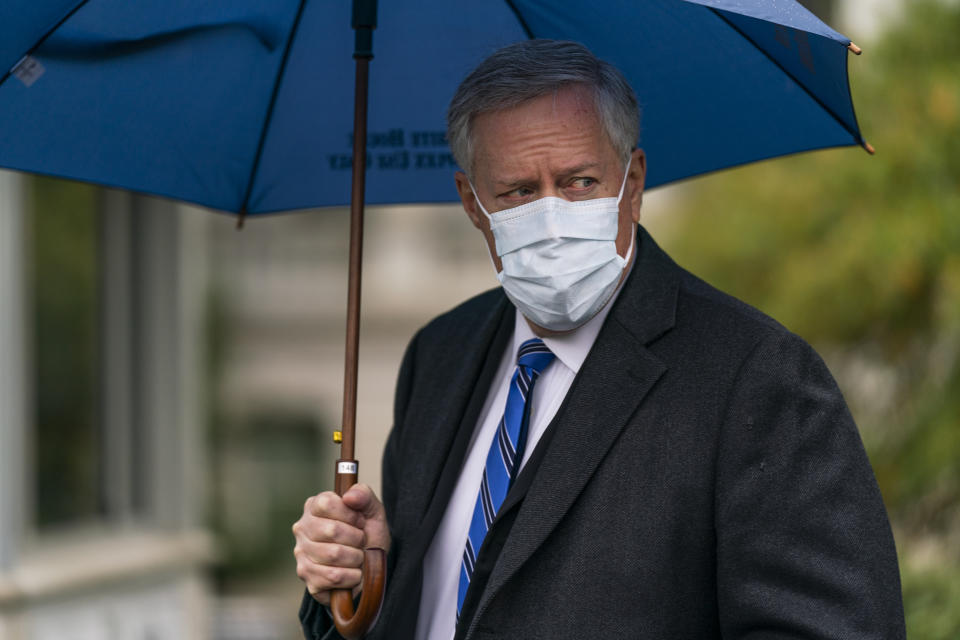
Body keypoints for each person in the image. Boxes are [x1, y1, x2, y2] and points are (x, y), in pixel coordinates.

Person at [293, 40, 905, 640]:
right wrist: (361, 581)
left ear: (631, 183)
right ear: (472, 204)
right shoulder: (439, 355)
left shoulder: (756, 377)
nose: (552, 214)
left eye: (580, 181)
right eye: (519, 192)